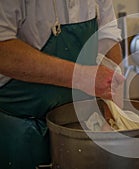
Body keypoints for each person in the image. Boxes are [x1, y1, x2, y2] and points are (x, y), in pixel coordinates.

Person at [0, 0, 124, 168]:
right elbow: (4, 51)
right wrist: (81, 76)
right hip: (20, 134)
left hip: (78, 129)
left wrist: (113, 109)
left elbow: (108, 35)